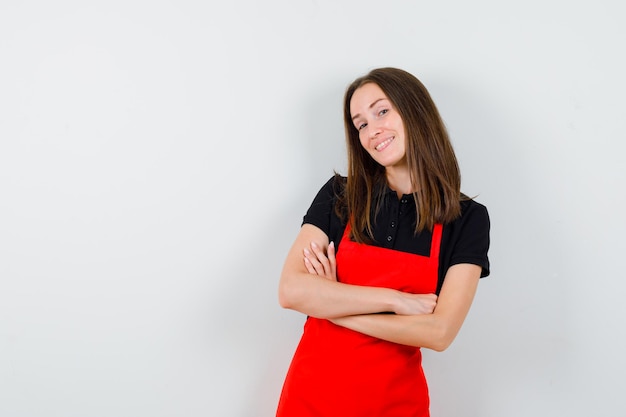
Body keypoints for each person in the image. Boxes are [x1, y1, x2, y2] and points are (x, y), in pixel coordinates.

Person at [275, 67, 490, 417]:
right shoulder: (338, 196)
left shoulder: (466, 219)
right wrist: (395, 301)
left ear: (414, 109)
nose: (372, 130)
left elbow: (438, 332)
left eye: (382, 111)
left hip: (394, 405)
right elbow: (291, 291)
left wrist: (333, 307)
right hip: (312, 398)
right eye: (360, 124)